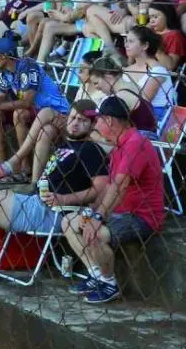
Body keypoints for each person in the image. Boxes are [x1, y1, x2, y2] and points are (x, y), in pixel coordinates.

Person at [0, 102, 109, 294]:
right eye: (72, 118)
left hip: (50, 213)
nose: (75, 123)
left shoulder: (90, 150)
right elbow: (48, 116)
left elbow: (101, 188)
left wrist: (65, 199)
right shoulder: (68, 143)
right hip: (36, 202)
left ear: (92, 124)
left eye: (82, 120)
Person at [61, 96, 162, 304]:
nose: (95, 125)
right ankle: (96, 275)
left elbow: (120, 186)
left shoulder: (136, 143)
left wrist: (97, 217)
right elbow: (108, 187)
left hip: (141, 216)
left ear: (110, 121)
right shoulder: (118, 145)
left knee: (95, 233)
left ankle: (109, 283)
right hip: (119, 212)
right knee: (69, 221)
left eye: (98, 120)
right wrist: (90, 214)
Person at [0, 36, 70, 170]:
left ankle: (24, 169)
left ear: (5, 56)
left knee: (19, 113)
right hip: (36, 111)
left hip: (54, 110)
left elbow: (26, 102)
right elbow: (0, 97)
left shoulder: (29, 66)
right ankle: (1, 165)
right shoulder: (5, 71)